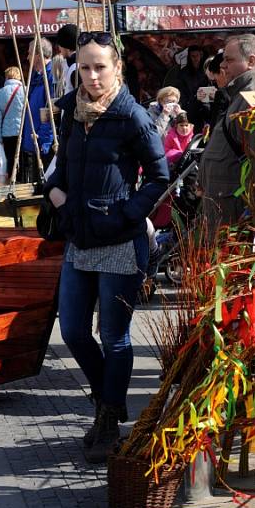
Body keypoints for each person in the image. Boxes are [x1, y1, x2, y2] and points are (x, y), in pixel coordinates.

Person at [44, 30, 169, 463]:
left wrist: (124, 215)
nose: (93, 76)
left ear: (116, 68)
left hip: (117, 240)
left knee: (113, 335)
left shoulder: (131, 115)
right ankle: (108, 400)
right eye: (85, 67)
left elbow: (158, 176)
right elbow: (64, 166)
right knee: (74, 330)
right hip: (79, 236)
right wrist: (56, 191)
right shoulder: (71, 113)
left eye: (101, 66)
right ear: (76, 68)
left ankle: (109, 416)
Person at [198, 34, 255, 236]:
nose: (223, 65)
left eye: (230, 59)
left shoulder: (251, 96)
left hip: (234, 210)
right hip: (223, 204)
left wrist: (254, 213)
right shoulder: (238, 94)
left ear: (251, 61)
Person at [21, 37, 55, 183]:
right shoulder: (37, 78)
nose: (27, 57)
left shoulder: (51, 77)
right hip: (34, 143)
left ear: (37, 55)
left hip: (42, 145)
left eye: (29, 53)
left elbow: (52, 112)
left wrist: (44, 142)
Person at [0, 66, 25, 178]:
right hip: (23, 131)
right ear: (19, 76)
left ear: (6, 77)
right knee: (24, 157)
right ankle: (24, 180)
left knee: (10, 159)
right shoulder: (25, 90)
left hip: (7, 133)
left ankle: (12, 180)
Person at [174, 45, 207, 128]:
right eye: (193, 56)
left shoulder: (206, 70)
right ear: (189, 57)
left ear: (201, 55)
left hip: (205, 108)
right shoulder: (183, 73)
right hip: (190, 109)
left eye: (197, 55)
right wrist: (186, 105)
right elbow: (180, 91)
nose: (195, 58)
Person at [56, 23, 78, 93]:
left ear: (66, 46)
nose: (59, 48)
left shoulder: (75, 68)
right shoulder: (71, 65)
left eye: (60, 45)